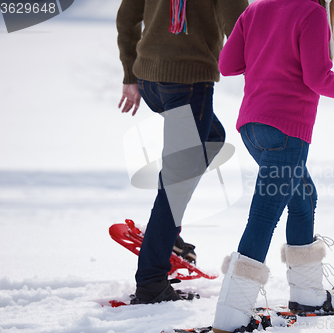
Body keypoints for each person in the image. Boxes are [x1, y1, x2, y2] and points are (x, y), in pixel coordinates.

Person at [212, 0, 334, 331]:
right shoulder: (311, 11)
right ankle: (230, 317)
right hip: (286, 132)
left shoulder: (257, 8)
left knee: (303, 198)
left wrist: (270, 57)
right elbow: (318, 79)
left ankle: (307, 294)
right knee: (264, 216)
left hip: (252, 128)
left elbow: (228, 64)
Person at [116, 0, 248, 304]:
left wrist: (129, 73)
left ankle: (167, 234)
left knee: (212, 139)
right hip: (188, 82)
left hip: (152, 80)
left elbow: (127, 17)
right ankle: (151, 282)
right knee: (175, 184)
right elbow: (240, 25)